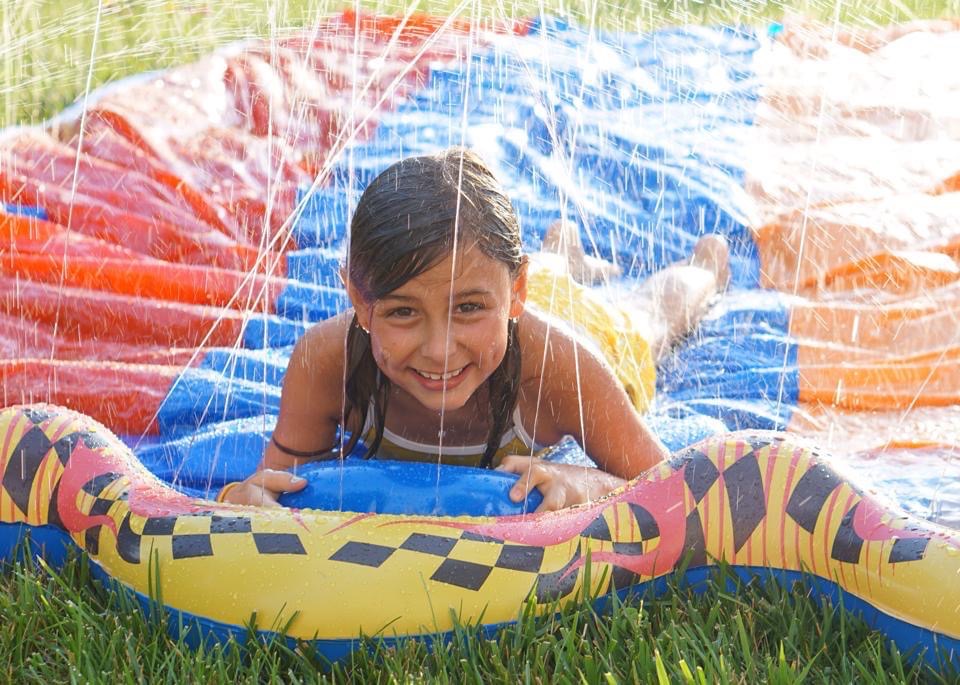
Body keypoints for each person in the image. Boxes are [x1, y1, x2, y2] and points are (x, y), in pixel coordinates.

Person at [219, 147, 729, 511]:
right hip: (507, 298)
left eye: (467, 309)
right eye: (401, 312)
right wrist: (241, 496)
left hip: (580, 326)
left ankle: (704, 265)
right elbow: (278, 485)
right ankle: (559, 249)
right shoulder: (327, 361)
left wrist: (584, 483)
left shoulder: (561, 368)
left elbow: (671, 488)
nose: (440, 351)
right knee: (532, 274)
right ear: (358, 300)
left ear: (516, 292)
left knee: (648, 318)